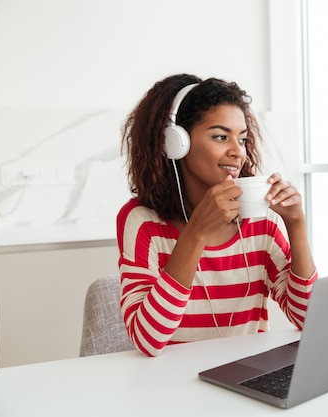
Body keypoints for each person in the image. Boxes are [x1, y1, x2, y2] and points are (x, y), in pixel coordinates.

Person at [117, 74, 317, 357]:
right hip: (170, 387)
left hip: (246, 378)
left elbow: (307, 317)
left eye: (243, 139)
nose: (238, 153)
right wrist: (197, 231)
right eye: (221, 136)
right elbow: (148, 340)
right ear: (176, 143)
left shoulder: (260, 221)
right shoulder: (142, 222)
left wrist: (296, 225)